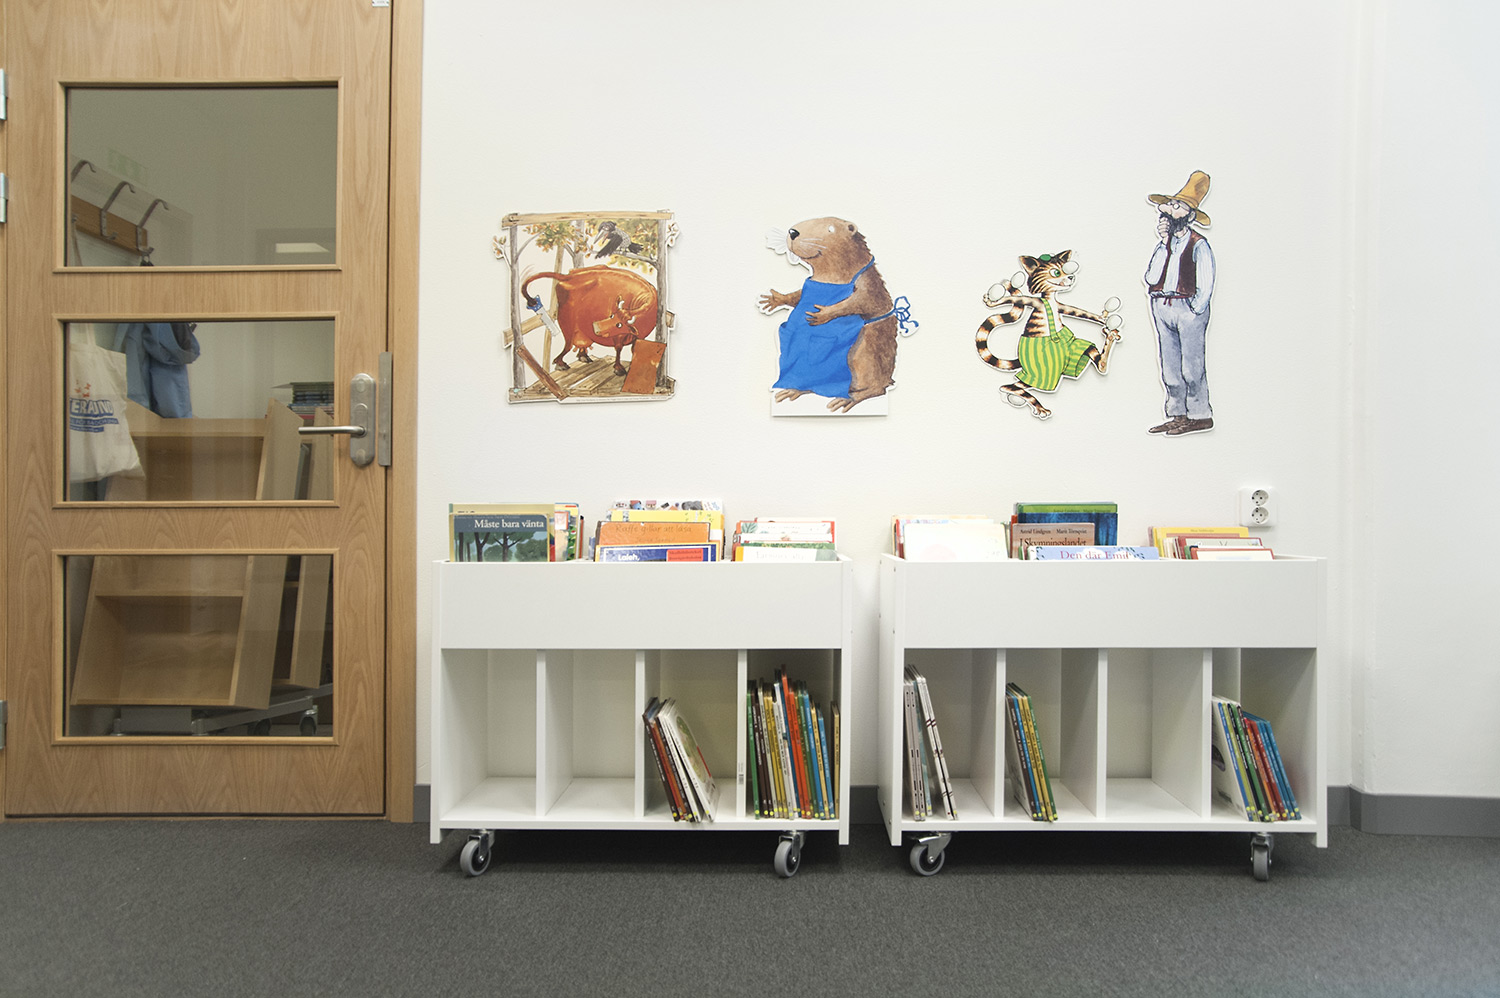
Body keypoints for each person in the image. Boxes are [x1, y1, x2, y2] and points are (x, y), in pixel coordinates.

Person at [1144, 171, 1216, 435]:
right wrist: (1164, 244)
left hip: (1187, 308)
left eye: (1177, 206)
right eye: (1170, 205)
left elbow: (1206, 282)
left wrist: (1195, 308)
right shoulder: (1164, 244)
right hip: (1163, 306)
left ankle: (1199, 415)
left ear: (1190, 215)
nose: (1169, 210)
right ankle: (1177, 413)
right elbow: (1151, 277)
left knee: (1192, 366)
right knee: (1170, 364)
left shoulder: (1199, 244)